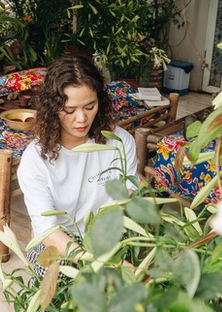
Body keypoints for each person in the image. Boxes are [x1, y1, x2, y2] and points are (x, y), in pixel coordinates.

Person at [17, 54, 138, 276]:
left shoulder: (118, 142)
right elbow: (48, 230)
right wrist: (98, 262)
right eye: (70, 110)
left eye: (90, 106)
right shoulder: (35, 160)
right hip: (56, 241)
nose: (81, 119)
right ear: (53, 108)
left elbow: (127, 200)